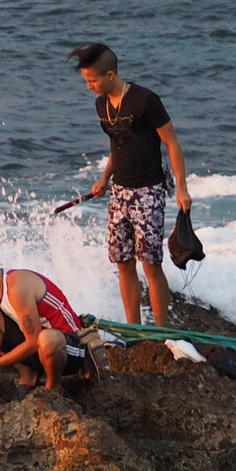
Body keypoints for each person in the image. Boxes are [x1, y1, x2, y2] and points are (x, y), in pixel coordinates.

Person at [71, 42, 191, 326]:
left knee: (150, 264)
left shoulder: (145, 100)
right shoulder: (101, 104)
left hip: (149, 190)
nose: (89, 87)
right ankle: (133, 328)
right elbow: (118, 144)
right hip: (119, 192)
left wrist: (183, 189)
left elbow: (172, 143)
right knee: (123, 263)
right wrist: (104, 179)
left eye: (92, 81)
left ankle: (162, 330)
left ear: (110, 75)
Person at [0, 240, 92, 388]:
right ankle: (27, 374)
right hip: (39, 349)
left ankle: (53, 388)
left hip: (70, 348)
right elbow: (6, 341)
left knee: (47, 338)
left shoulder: (17, 286)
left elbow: (32, 341)